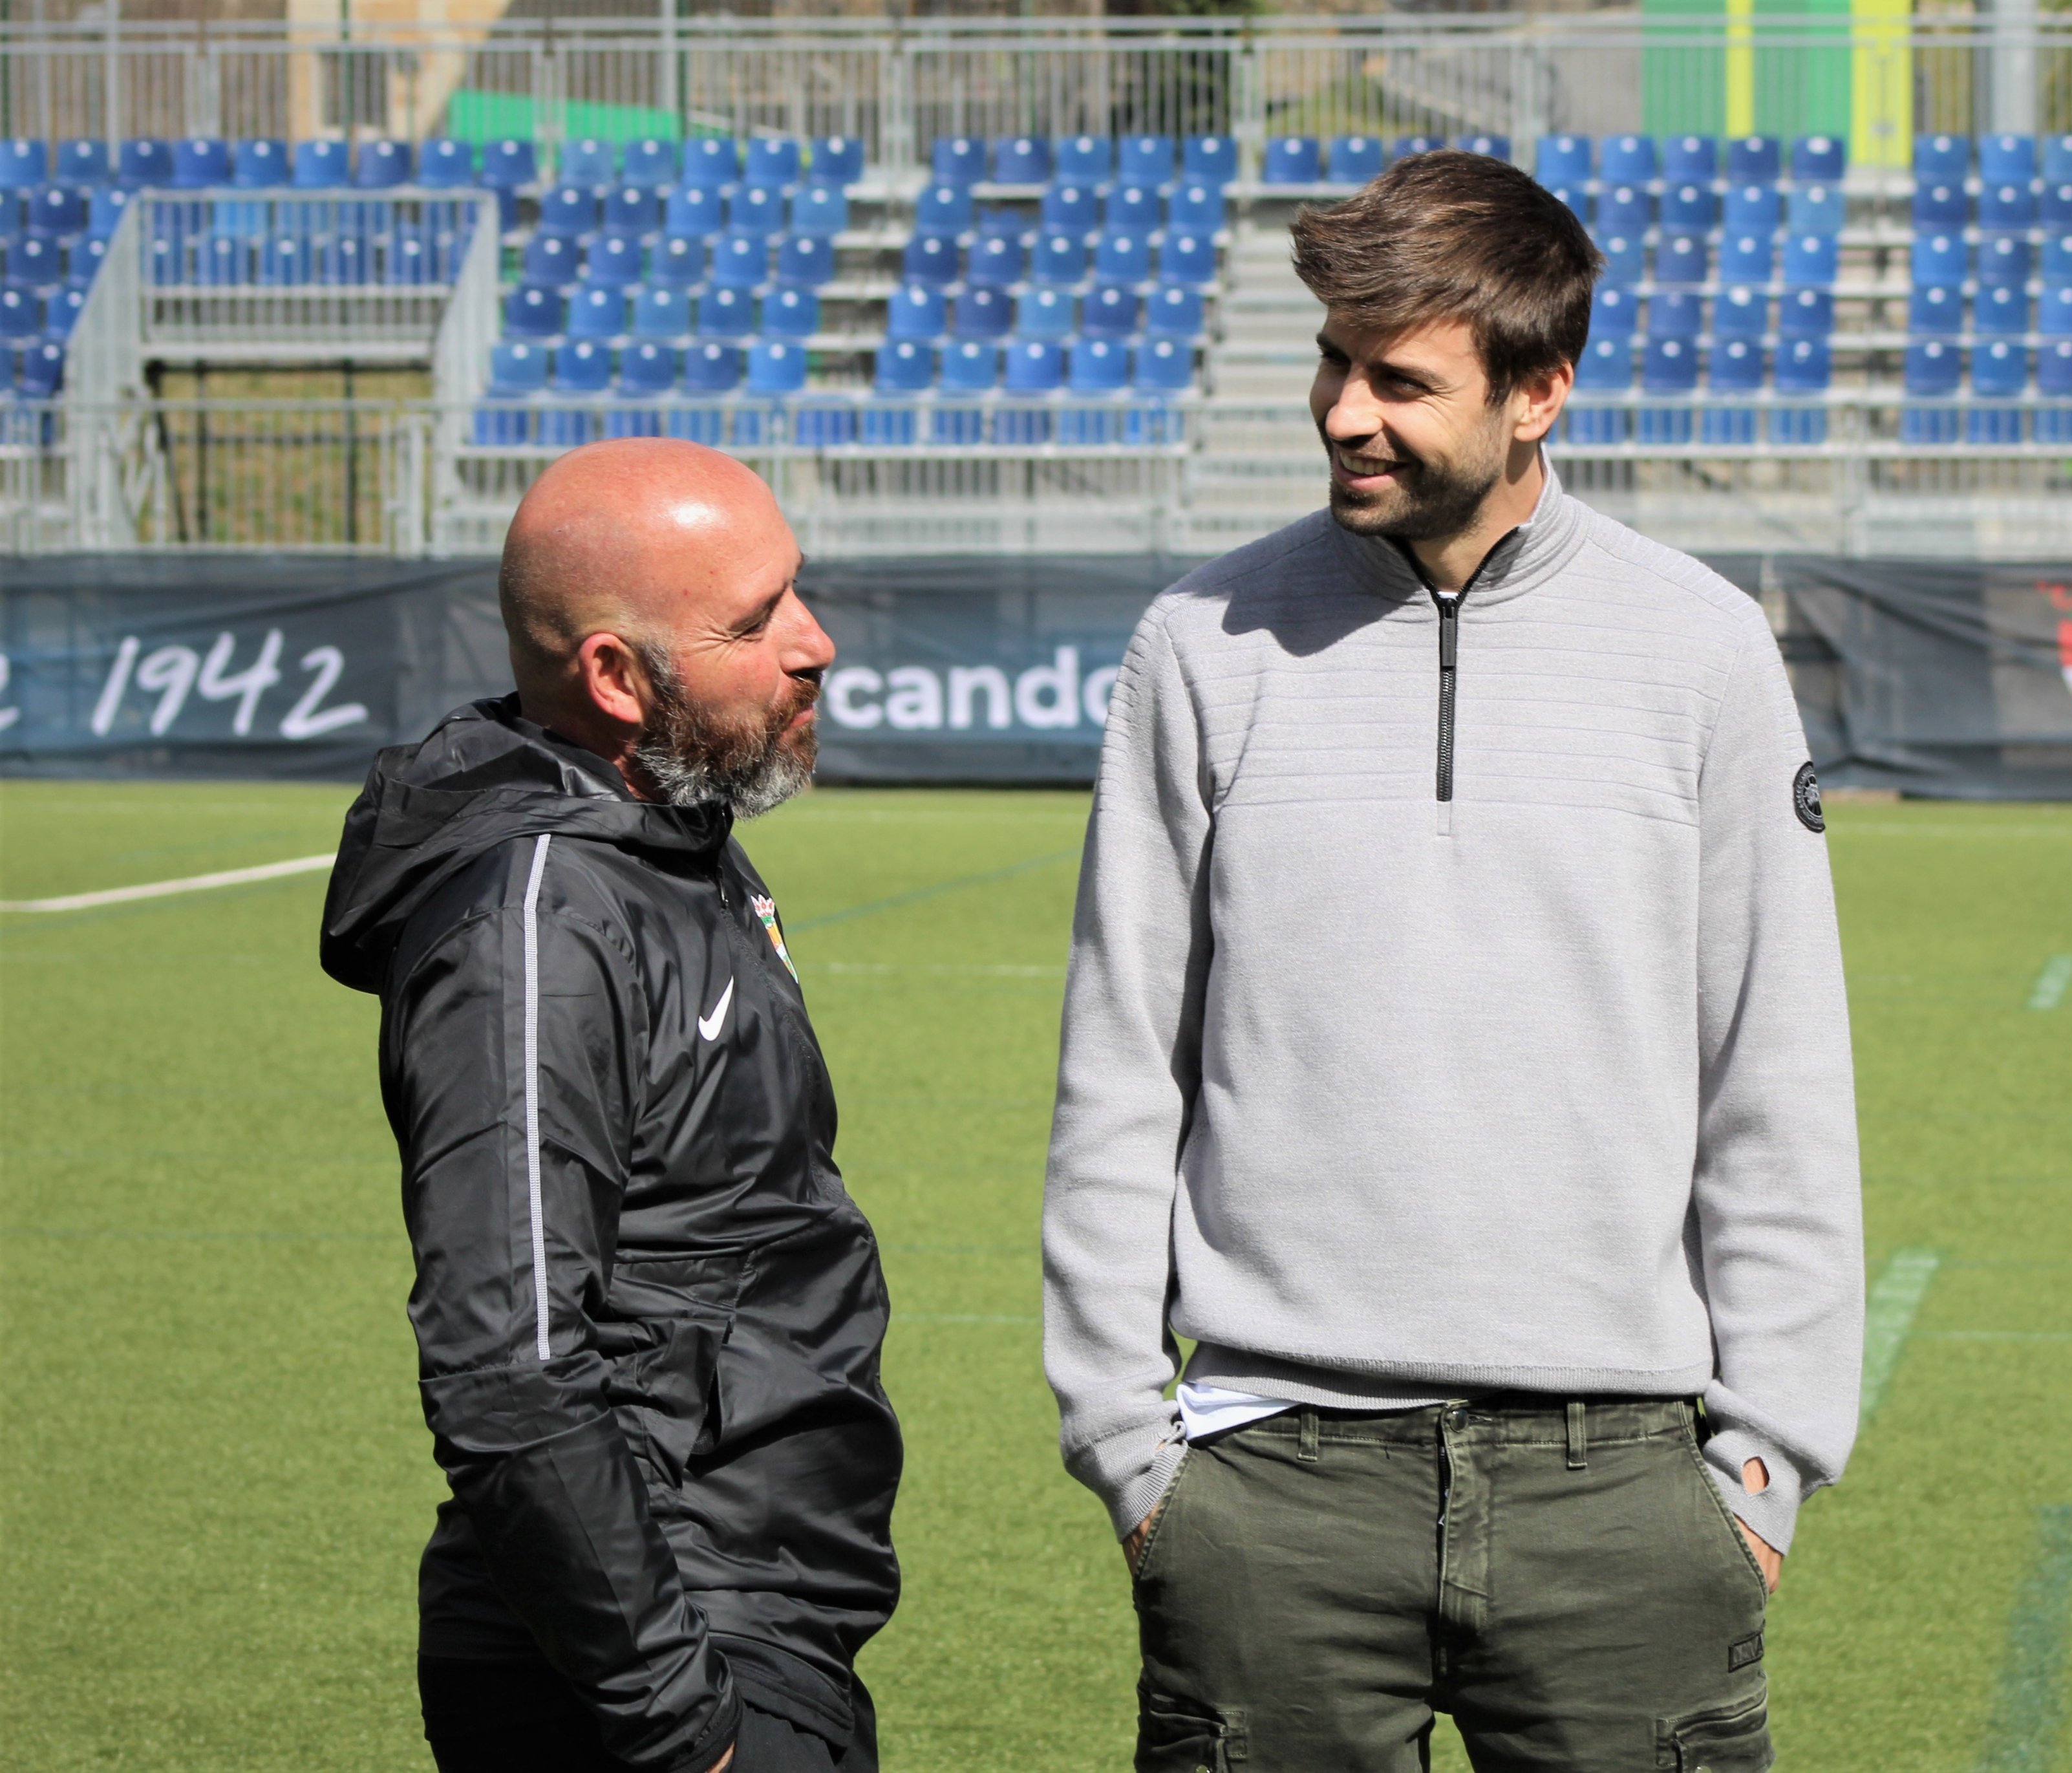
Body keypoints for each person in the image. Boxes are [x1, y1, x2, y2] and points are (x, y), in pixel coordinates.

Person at [1042, 150, 1863, 1770]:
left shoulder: (1696, 647)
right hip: (1266, 1481)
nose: (1346, 411)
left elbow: (1771, 1067)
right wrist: (1130, 1446)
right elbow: (1119, 1064)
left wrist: (1763, 1463)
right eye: (1333, 363)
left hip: (1619, 1488)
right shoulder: (1196, 646)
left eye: (1399, 379)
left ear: (1539, 393)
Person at [319, 440, 899, 1773]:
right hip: (647, 1652)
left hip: (746, 1607)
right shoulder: (538, 924)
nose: (813, 643)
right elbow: (505, 1364)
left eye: (793, 593)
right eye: (754, 621)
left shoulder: (669, 840)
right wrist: (677, 1719)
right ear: (616, 678)